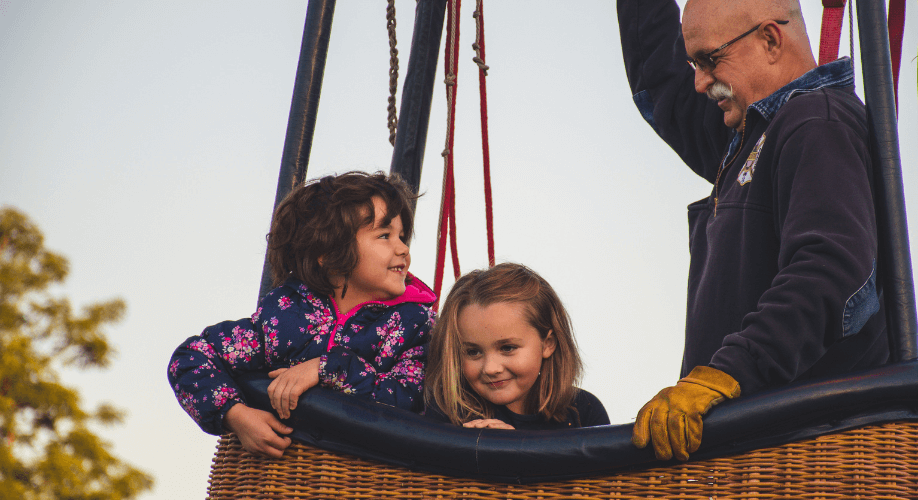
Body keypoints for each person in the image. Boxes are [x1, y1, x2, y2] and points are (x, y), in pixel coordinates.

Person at [618, 0, 889, 461]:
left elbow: (831, 272)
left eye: (709, 60)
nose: (700, 81)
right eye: (694, 63)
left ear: (770, 39)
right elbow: (663, 86)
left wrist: (727, 374)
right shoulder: (751, 137)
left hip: (811, 451)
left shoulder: (815, 122)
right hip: (759, 445)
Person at [167, 171, 436, 458]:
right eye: (385, 236)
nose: (403, 248)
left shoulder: (413, 326)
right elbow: (192, 357)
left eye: (402, 236)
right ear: (329, 251)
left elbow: (409, 398)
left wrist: (327, 368)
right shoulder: (285, 317)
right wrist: (236, 415)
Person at [423, 263, 609, 430]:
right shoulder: (448, 412)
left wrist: (515, 453)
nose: (490, 368)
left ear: (548, 344)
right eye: (473, 352)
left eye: (507, 348)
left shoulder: (583, 412)